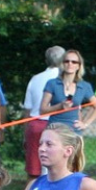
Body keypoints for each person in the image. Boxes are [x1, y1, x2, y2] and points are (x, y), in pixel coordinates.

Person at [22, 46, 65, 179]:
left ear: (46, 60)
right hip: (58, 125)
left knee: (34, 171)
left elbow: (27, 109)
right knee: (59, 169)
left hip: (36, 125)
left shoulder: (35, 79)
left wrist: (25, 134)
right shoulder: (65, 80)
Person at [39, 50, 96, 134]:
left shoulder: (84, 86)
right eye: (66, 61)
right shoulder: (52, 83)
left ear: (78, 66)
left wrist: (85, 124)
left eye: (74, 62)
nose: (70, 64)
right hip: (54, 130)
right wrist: (60, 106)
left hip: (74, 131)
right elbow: (42, 110)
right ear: (62, 64)